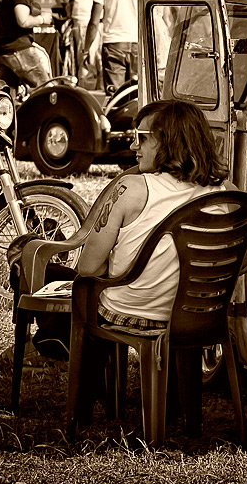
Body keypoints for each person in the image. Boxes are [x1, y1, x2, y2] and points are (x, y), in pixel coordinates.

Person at [15, 99, 233, 363]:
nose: (133, 146)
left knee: (45, 270)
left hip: (134, 313)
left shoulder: (132, 189)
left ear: (168, 140)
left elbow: (88, 268)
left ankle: (52, 346)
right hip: (198, 317)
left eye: (141, 138)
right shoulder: (225, 194)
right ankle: (55, 344)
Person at [83, 0, 151, 91]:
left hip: (114, 43)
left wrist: (86, 49)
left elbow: (94, 22)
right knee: (138, 93)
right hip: (138, 42)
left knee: (115, 95)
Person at [70, 0, 105, 86]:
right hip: (83, 19)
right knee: (87, 62)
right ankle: (86, 90)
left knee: (100, 62)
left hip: (101, 20)